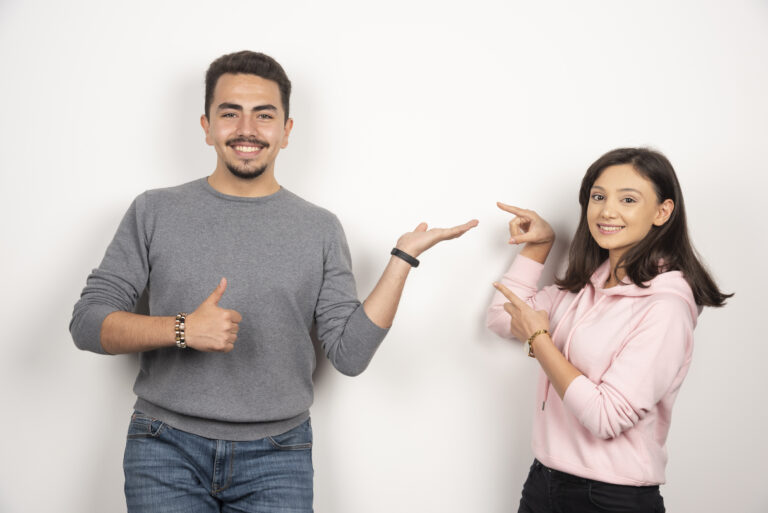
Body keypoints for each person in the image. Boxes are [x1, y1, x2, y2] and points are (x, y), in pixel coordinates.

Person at [70, 50, 477, 513]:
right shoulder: (154, 210)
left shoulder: (320, 228)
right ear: (206, 125)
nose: (247, 130)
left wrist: (402, 260)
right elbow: (88, 323)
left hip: (278, 455)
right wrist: (182, 329)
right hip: (165, 447)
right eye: (230, 113)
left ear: (286, 131)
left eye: (264, 115)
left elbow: (350, 355)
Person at [486, 148, 730, 513]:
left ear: (662, 212)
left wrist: (540, 340)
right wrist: (539, 246)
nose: (607, 211)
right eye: (598, 197)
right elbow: (502, 319)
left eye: (628, 199)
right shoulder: (588, 285)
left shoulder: (666, 307)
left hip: (610, 497)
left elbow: (607, 417)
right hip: (543, 481)